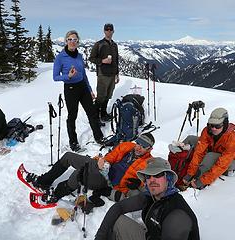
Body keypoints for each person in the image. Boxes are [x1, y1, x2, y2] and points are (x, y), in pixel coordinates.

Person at [25, 133, 155, 205]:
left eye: (143, 146)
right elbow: (111, 156)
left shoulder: (149, 164)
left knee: (80, 173)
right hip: (103, 169)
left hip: (108, 183)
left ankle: (56, 194)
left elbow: (152, 188)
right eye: (138, 143)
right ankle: (44, 181)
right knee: (68, 156)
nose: (138, 147)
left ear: (149, 149)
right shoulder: (127, 146)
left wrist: (138, 184)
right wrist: (103, 162)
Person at [94, 157, 200, 240]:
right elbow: (119, 207)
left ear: (168, 179)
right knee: (117, 220)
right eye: (148, 176)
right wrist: (100, 236)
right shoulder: (151, 196)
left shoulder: (177, 214)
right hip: (150, 236)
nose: (152, 180)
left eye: (157, 175)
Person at [53, 30, 104, 152]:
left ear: (77, 42)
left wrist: (90, 89)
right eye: (70, 39)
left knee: (91, 112)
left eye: (75, 40)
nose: (72, 42)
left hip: (82, 86)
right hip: (70, 89)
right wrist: (68, 76)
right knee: (72, 116)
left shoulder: (79, 56)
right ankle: (73, 142)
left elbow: (84, 74)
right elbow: (55, 77)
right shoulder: (60, 57)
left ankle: (99, 137)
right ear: (66, 41)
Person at [182, 107, 235, 190]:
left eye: (217, 126)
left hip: (230, 161)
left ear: (225, 124)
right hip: (214, 150)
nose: (213, 128)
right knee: (191, 139)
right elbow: (199, 152)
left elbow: (222, 164)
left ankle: (198, 178)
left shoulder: (233, 139)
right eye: (211, 125)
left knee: (210, 157)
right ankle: (180, 161)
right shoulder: (207, 131)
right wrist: (190, 173)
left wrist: (202, 181)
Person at [89, 23, 119, 122]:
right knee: (101, 96)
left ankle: (103, 113)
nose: (109, 31)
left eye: (110, 30)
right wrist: (102, 61)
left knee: (108, 95)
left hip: (112, 74)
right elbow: (91, 58)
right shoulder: (99, 44)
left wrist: (117, 74)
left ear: (113, 31)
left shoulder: (114, 45)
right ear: (104, 31)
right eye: (107, 29)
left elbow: (116, 60)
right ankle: (95, 116)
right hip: (103, 74)